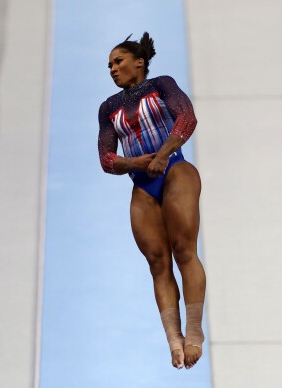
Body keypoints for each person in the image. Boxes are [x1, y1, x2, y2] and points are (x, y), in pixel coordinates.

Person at [98, 32, 206, 370]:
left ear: (139, 62)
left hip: (175, 170)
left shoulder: (162, 85)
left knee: (184, 250)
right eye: (110, 65)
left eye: (119, 61)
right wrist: (135, 164)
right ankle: (174, 341)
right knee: (158, 263)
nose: (113, 69)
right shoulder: (109, 108)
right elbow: (106, 158)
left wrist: (162, 155)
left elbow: (187, 118)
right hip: (143, 185)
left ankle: (194, 333)